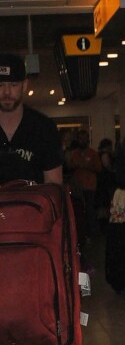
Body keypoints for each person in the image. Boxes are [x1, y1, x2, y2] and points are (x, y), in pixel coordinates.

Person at [0, 53, 63, 184]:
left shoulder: (44, 128)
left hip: (32, 204)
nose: (6, 92)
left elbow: (54, 185)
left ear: (24, 85)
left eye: (13, 85)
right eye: (0, 85)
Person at [67, 129, 101, 237]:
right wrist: (74, 166)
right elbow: (68, 167)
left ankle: (92, 232)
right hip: (77, 186)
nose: (82, 141)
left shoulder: (93, 153)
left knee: (90, 209)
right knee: (78, 209)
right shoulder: (73, 153)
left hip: (89, 185)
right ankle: (80, 232)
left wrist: (87, 166)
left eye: (84, 139)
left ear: (87, 139)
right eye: (80, 139)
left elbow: (99, 168)